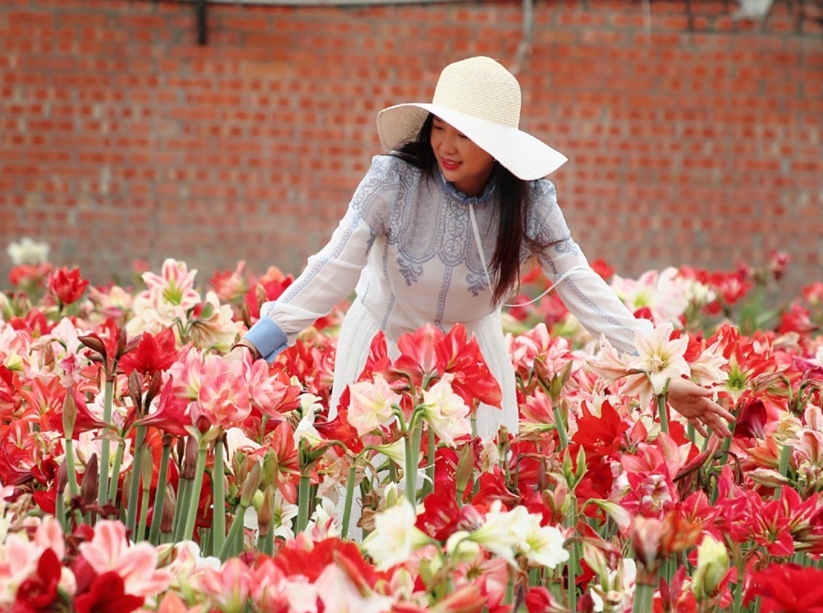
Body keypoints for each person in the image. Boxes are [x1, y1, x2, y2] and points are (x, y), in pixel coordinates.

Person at [230, 56, 734, 439]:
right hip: (382, 348)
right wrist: (255, 344)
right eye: (439, 129)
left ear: (498, 146)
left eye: (464, 136)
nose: (446, 147)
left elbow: (581, 285)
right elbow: (333, 269)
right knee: (374, 504)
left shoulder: (530, 201)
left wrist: (659, 370)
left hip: (475, 361)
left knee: (477, 501)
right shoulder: (394, 181)